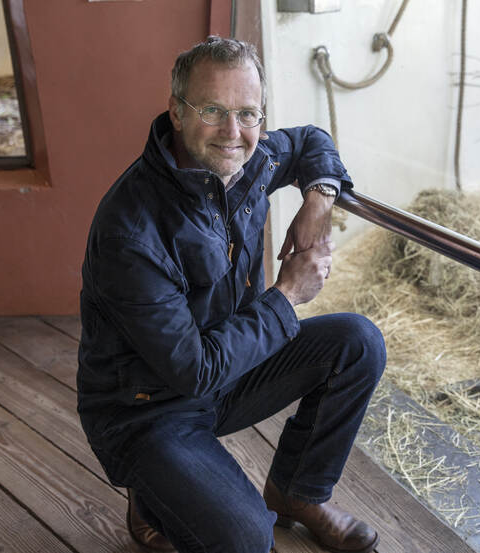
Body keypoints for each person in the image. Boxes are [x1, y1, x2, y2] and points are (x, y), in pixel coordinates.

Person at [77, 36, 386, 553]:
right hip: (146, 408)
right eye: (213, 110)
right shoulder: (129, 232)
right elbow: (193, 370)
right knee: (247, 540)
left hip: (227, 372)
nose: (234, 132)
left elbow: (311, 140)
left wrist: (320, 197)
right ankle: (153, 486)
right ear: (176, 111)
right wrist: (287, 295)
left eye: (248, 113)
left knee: (358, 342)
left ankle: (297, 493)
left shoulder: (251, 160)